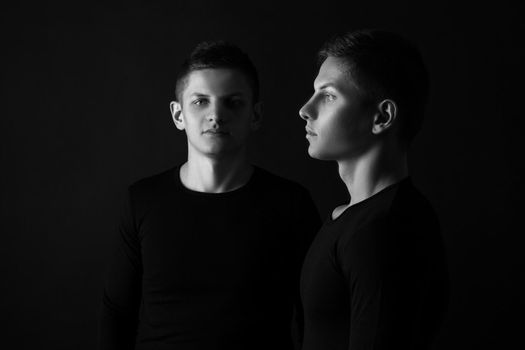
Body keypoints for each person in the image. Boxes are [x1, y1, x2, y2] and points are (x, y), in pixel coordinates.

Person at [99, 41, 321, 350]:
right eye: (200, 101)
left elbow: (315, 319)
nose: (216, 115)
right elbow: (117, 314)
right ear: (178, 114)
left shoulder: (291, 205)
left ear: (255, 115)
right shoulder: (142, 201)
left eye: (233, 102)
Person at [298, 29, 449, 349]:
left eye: (328, 95)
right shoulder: (353, 219)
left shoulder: (383, 229)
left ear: (382, 116)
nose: (305, 110)